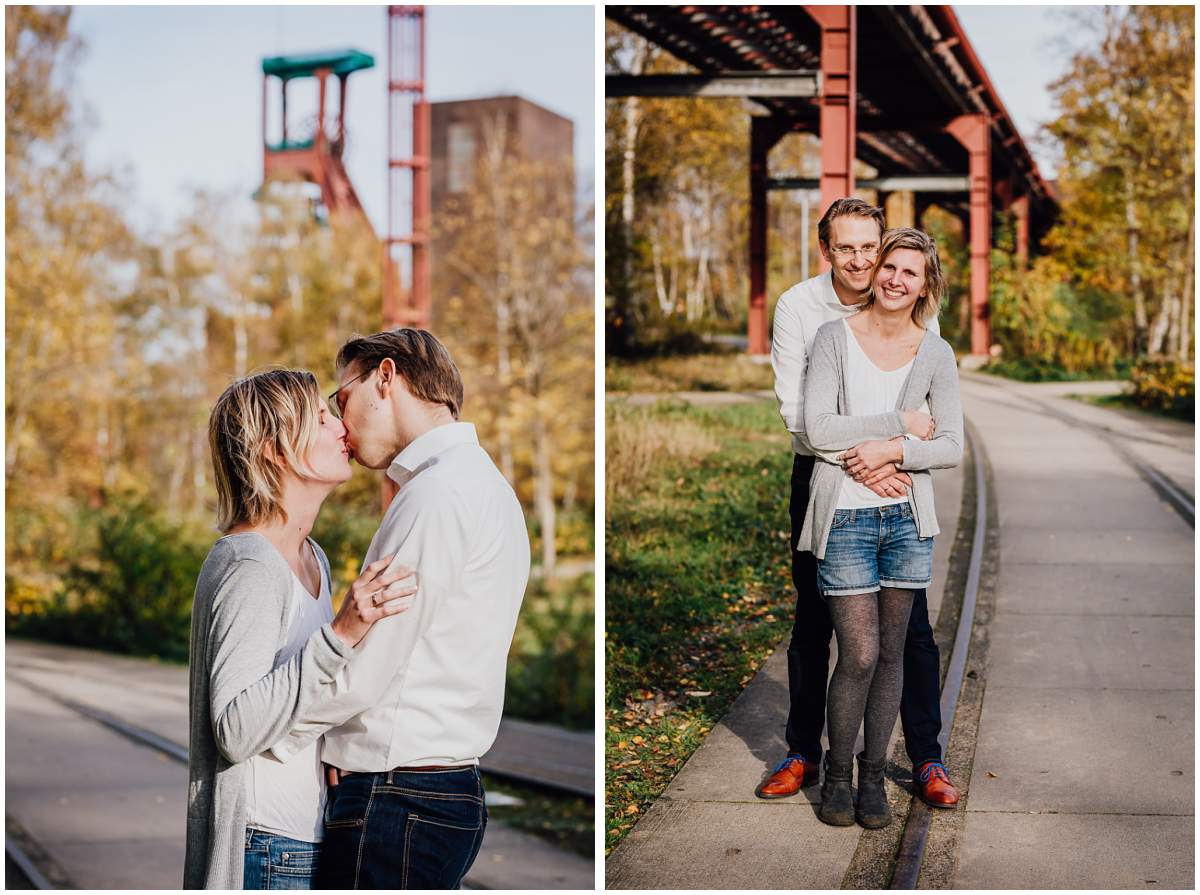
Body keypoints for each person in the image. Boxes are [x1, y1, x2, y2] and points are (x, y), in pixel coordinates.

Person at [263, 329, 531, 889]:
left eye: (341, 399)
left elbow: (371, 665)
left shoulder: (437, 494)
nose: (340, 422)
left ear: (386, 378)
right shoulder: (480, 483)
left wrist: (276, 742)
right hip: (425, 787)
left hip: (396, 794)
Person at [185, 369, 419, 890]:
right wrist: (341, 634)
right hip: (264, 844)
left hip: (304, 835)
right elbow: (235, 728)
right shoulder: (249, 563)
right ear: (273, 449)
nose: (340, 426)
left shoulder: (312, 558)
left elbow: (298, 693)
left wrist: (333, 739)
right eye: (318, 418)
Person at [764, 199, 960, 810]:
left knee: (910, 637)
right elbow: (805, 421)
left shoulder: (931, 345)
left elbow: (946, 439)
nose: (863, 261)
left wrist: (890, 452)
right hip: (826, 481)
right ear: (828, 251)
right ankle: (807, 753)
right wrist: (879, 445)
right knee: (818, 625)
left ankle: (923, 756)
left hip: (897, 499)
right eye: (846, 249)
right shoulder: (804, 311)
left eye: (870, 248)